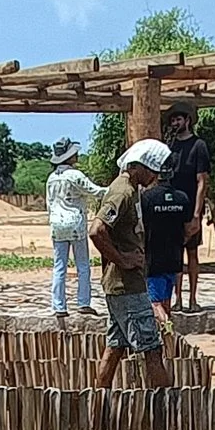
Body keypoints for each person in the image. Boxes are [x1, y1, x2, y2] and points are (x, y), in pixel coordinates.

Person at [89, 139, 171, 390]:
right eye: (152, 170)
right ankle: (166, 407)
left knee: (115, 346)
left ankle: (99, 404)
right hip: (127, 287)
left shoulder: (130, 189)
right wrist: (123, 259)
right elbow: (97, 230)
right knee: (152, 349)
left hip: (123, 285)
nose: (155, 176)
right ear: (137, 167)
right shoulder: (122, 192)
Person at [162, 103, 214, 311]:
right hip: (172, 209)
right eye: (173, 120)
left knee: (192, 253)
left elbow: (202, 181)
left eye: (178, 119)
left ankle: (192, 299)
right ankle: (178, 300)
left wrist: (196, 214)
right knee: (175, 255)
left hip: (191, 207)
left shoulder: (199, 145)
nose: (175, 123)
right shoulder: (170, 147)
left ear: (187, 120)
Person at [43, 139, 104, 315]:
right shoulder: (75, 175)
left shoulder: (52, 178)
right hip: (75, 223)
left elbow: (49, 204)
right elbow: (95, 191)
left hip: (57, 224)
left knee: (59, 266)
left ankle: (58, 306)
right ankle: (83, 302)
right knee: (82, 265)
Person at [139, 166, 194, 338]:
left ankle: (168, 330)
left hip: (154, 258)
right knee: (166, 301)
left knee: (155, 303)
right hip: (175, 258)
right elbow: (189, 227)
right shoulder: (182, 198)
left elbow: (141, 226)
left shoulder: (147, 198)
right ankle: (166, 338)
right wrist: (181, 240)